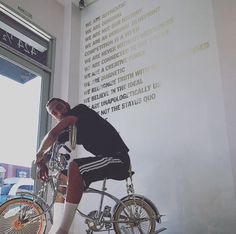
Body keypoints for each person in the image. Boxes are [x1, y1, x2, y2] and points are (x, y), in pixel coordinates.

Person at [36, 98, 130, 234]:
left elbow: (53, 134)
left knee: (75, 167)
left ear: (67, 105)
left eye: (59, 107)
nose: (58, 113)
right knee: (62, 177)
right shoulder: (68, 131)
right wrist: (41, 164)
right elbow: (52, 145)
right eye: (54, 113)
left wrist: (38, 153)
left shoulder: (80, 110)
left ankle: (62, 230)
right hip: (104, 160)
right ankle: (56, 225)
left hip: (118, 159)